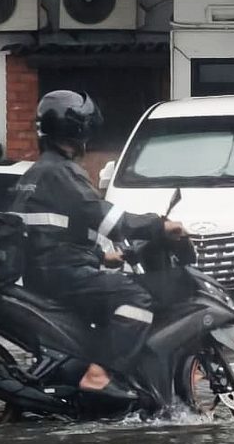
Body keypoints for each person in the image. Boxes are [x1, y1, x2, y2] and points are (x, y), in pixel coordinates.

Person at [11, 90, 186, 399]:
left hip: (47, 270)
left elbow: (58, 231)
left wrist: (103, 258)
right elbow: (107, 218)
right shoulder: (62, 173)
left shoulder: (37, 172)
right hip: (63, 274)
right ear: (80, 130)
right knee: (137, 299)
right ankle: (100, 373)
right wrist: (160, 225)